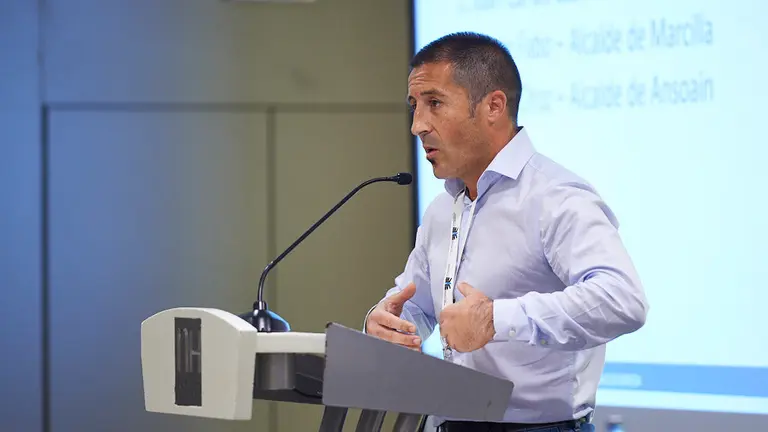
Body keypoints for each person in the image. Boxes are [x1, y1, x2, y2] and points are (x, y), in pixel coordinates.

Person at [363, 32, 649, 432]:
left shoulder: (555, 196)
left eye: (434, 103)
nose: (417, 126)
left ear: (494, 106)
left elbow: (623, 300)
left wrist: (498, 318)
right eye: (414, 106)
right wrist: (386, 322)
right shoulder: (443, 209)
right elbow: (418, 304)